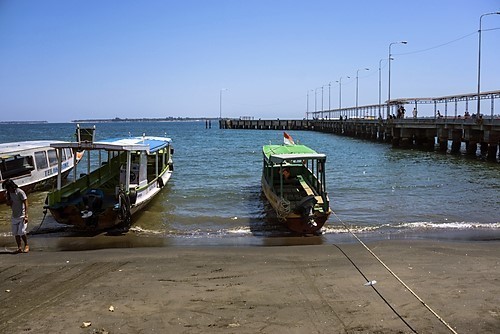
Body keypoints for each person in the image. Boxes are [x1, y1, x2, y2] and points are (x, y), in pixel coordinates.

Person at [2, 179, 29, 253]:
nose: (8, 189)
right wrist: (8, 202)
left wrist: (26, 215)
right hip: (14, 215)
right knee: (15, 233)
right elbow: (8, 204)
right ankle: (19, 247)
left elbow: (26, 202)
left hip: (22, 215)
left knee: (22, 232)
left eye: (8, 187)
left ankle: (26, 245)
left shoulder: (20, 192)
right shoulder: (8, 193)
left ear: (12, 186)